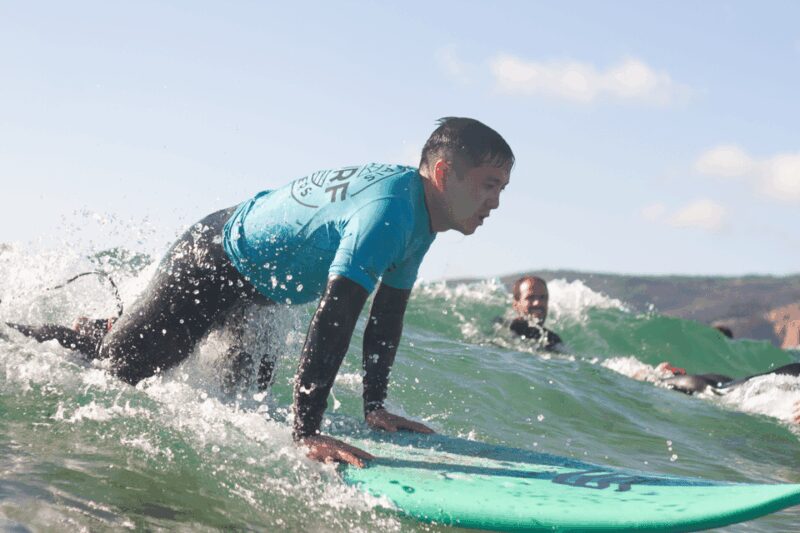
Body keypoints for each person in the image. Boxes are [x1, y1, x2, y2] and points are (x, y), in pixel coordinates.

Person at [7, 117, 514, 467]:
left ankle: (110, 328)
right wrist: (307, 432)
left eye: (502, 189)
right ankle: (23, 334)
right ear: (444, 173)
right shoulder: (388, 213)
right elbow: (335, 316)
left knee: (232, 407)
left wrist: (374, 408)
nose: (494, 202)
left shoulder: (423, 219)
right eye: (489, 185)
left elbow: (386, 315)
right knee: (118, 371)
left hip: (264, 295)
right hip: (216, 259)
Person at [505, 276, 562, 350]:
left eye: (542, 297)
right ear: (516, 304)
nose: (538, 303)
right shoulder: (506, 328)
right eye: (530, 297)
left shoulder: (553, 339)